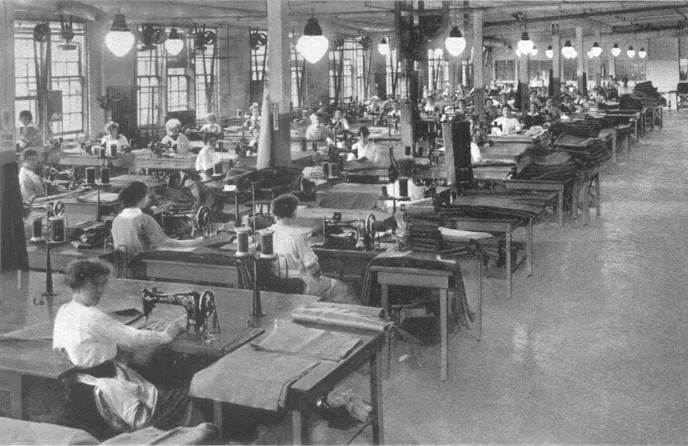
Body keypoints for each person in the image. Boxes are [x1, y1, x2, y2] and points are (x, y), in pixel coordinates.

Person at [53, 259, 201, 434]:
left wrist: (119, 340)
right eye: (95, 284)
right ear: (79, 284)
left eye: (102, 284)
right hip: (107, 387)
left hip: (82, 388)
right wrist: (168, 334)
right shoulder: (91, 316)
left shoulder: (65, 311)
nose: (100, 290)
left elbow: (69, 346)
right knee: (182, 394)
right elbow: (133, 338)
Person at [268, 194, 356, 304]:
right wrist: (318, 277)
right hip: (300, 283)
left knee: (327, 295)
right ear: (294, 213)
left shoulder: (268, 233)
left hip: (278, 284)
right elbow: (312, 267)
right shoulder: (297, 235)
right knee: (344, 289)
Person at [111, 181, 208, 259]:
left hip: (123, 265)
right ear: (142, 199)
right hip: (143, 265)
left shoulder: (117, 220)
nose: (148, 199)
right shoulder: (144, 219)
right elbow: (167, 244)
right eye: (146, 196)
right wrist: (197, 241)